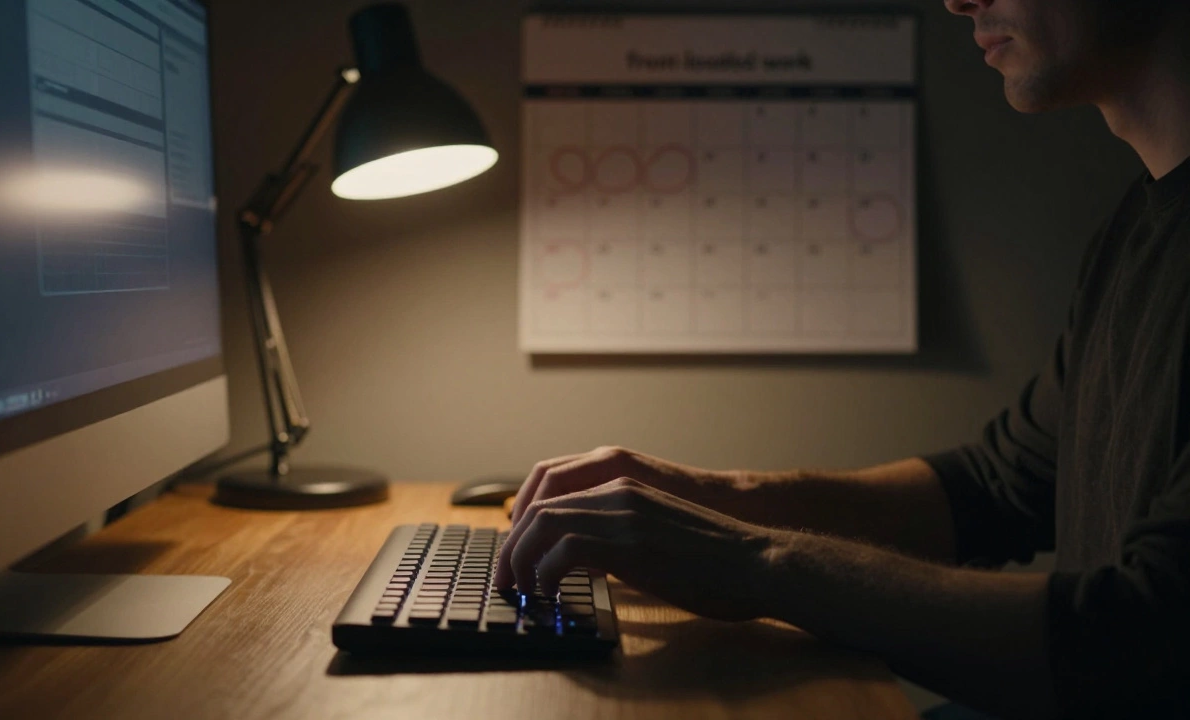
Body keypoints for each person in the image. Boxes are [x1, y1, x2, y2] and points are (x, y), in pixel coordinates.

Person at [494, 0, 1190, 716]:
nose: (958, 0)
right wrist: (688, 497)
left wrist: (755, 563)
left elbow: (1142, 638)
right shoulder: (1136, 228)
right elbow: (992, 488)